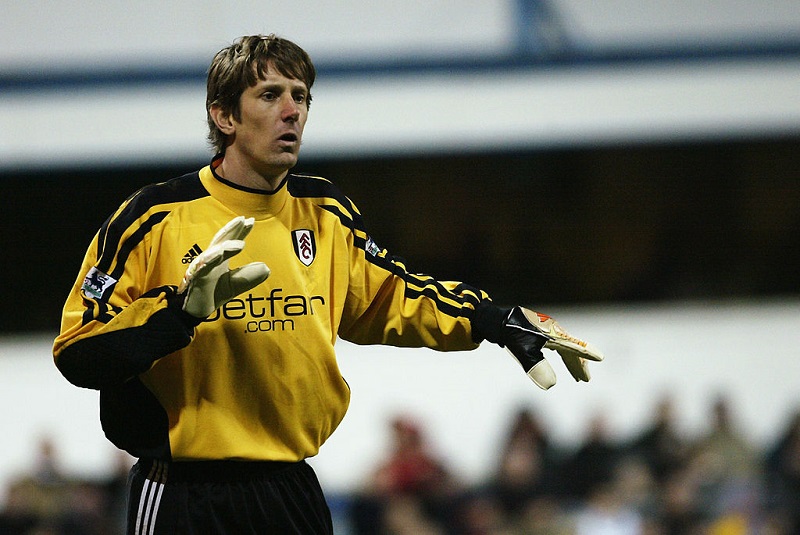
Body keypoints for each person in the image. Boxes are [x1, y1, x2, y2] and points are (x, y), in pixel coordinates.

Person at [52, 34, 604, 534]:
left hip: (291, 491)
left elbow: (393, 294)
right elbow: (79, 351)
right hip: (183, 493)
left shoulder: (325, 210)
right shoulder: (152, 217)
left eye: (301, 96)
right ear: (224, 116)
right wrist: (179, 314)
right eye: (270, 95)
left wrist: (492, 319)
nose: (292, 110)